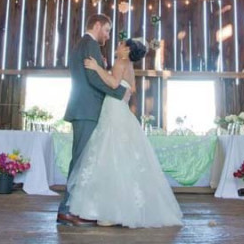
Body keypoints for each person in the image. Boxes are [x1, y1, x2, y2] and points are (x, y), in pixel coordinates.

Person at [69, 39, 183, 228]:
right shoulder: (128, 65)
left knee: (108, 154)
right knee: (119, 156)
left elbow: (114, 84)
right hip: (120, 108)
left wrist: (97, 67)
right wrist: (106, 69)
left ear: (127, 49)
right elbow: (132, 89)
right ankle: (117, 209)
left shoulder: (121, 62)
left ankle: (108, 211)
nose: (118, 45)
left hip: (113, 109)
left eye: (121, 43)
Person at [57, 14, 129, 227]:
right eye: (107, 30)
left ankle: (75, 207)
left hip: (84, 109)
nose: (107, 35)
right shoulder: (90, 44)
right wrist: (119, 93)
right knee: (80, 160)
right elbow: (93, 78)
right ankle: (67, 209)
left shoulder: (84, 44)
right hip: (86, 109)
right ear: (97, 25)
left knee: (83, 160)